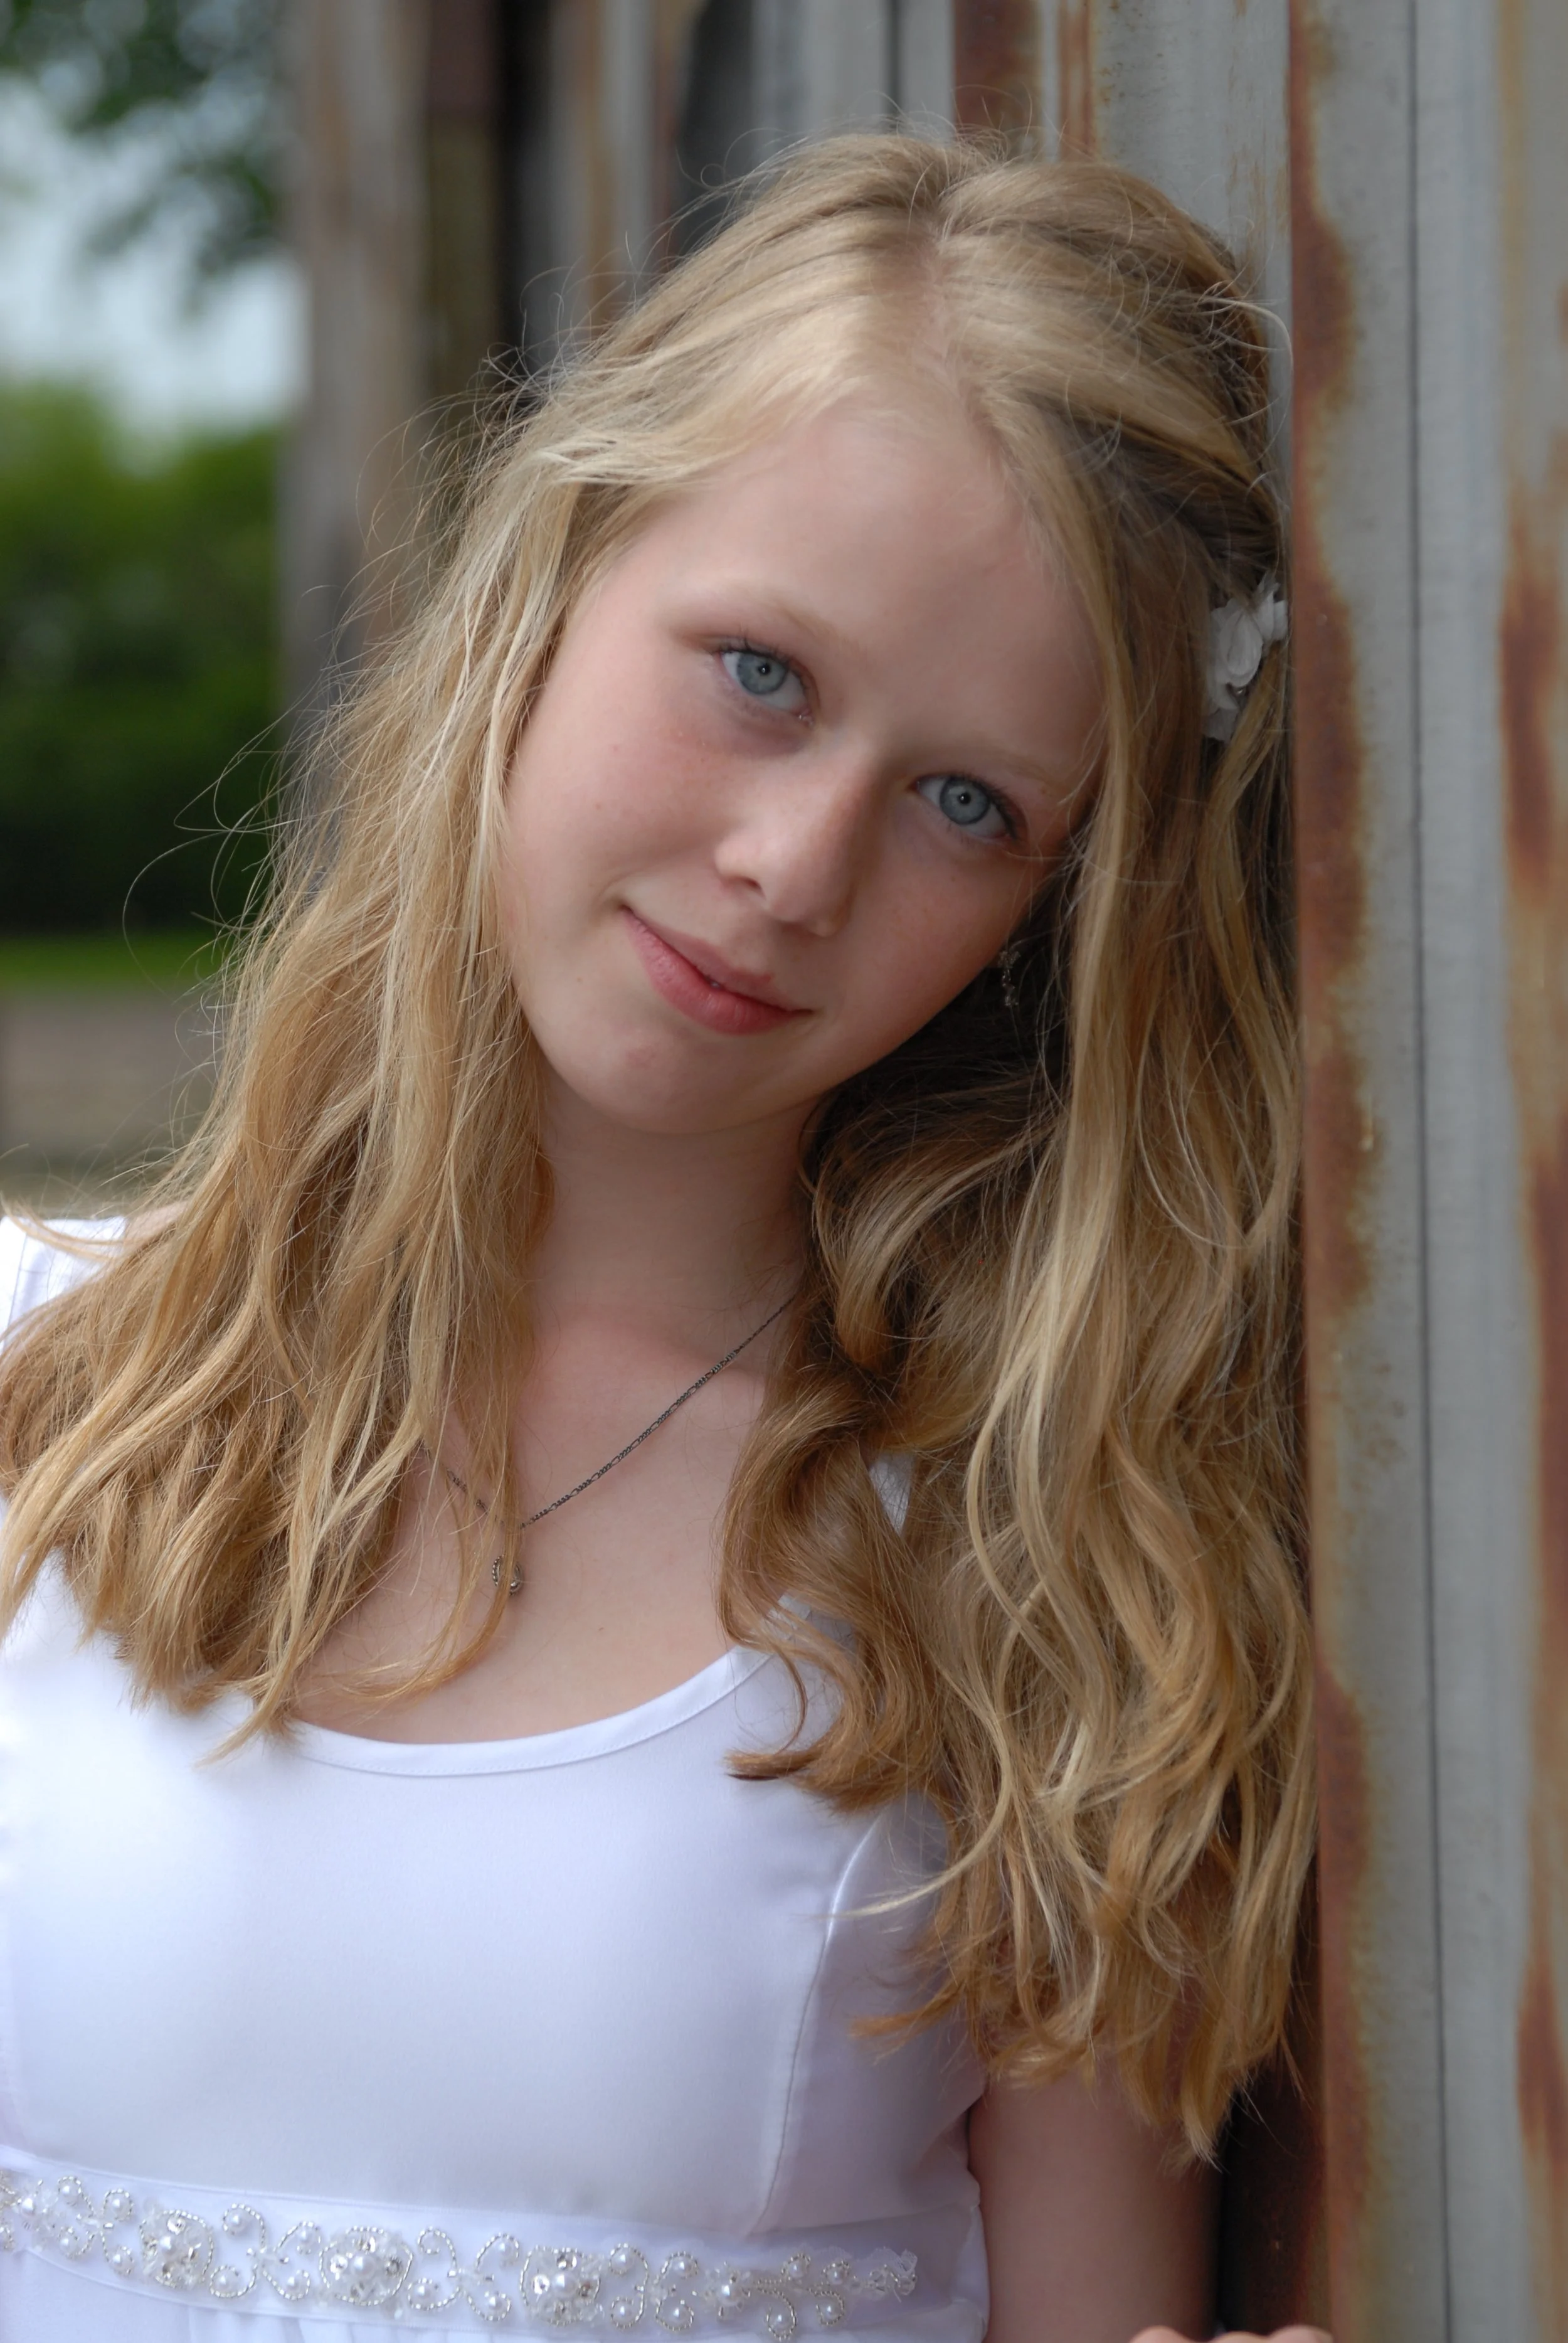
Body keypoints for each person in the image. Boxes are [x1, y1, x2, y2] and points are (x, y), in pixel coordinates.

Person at [0, 135, 1326, 2343]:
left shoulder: (1044, 1563)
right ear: (553, 574)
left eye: (968, 803)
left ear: (1049, 917)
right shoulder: (38, 1378)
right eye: (759, 673)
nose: (794, 864)